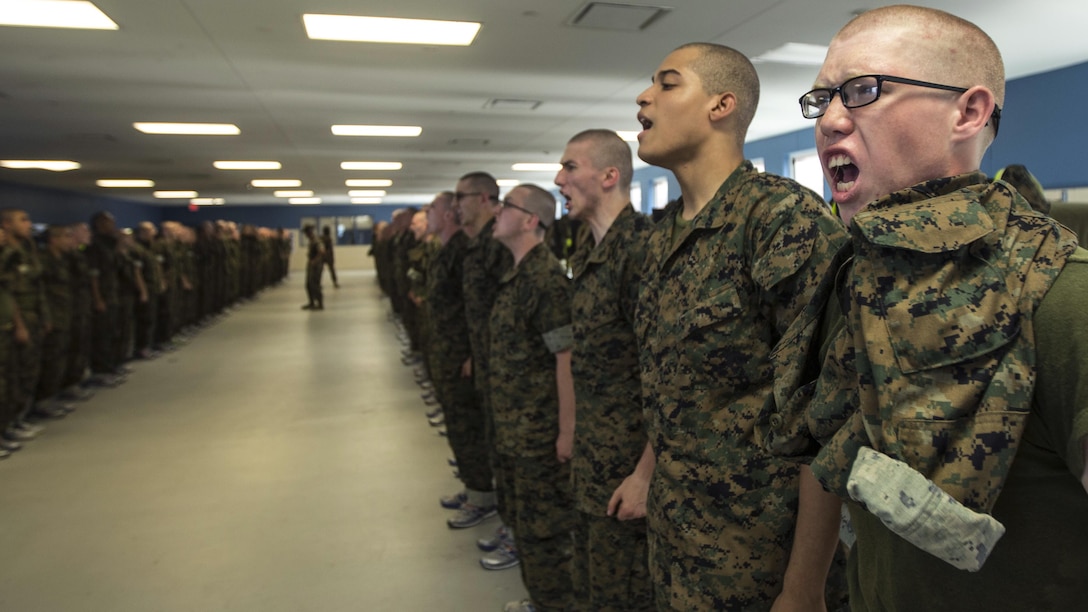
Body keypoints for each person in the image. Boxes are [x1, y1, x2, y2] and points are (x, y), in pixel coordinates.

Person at [771, 5, 1088, 610]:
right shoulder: (859, 278)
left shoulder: (1058, 294)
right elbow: (834, 446)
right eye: (821, 100)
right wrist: (801, 589)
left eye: (863, 90)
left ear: (967, 112)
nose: (831, 119)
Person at [633, 43, 848, 610]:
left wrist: (803, 588)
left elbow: (826, 419)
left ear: (721, 105)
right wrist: (643, 473)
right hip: (679, 537)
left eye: (667, 82)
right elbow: (674, 390)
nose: (643, 96)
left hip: (762, 558)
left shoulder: (781, 221)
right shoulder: (660, 240)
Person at [553, 128, 655, 611]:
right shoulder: (585, 254)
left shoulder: (641, 252)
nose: (559, 178)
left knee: (628, 592)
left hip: (630, 465)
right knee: (596, 585)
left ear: (610, 176)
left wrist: (645, 473)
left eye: (570, 167)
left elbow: (671, 374)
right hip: (596, 458)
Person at [489, 184, 575, 612]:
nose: (496, 213)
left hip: (539, 432)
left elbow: (566, 358)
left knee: (546, 531)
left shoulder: (545, 279)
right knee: (526, 525)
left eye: (505, 207)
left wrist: (566, 431)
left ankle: (553, 604)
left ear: (529, 220)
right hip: (515, 427)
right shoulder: (518, 273)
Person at [452, 171, 517, 568]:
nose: (456, 203)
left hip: (508, 372)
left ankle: (516, 532)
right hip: (488, 364)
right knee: (497, 447)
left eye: (462, 196)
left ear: (485, 198)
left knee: (510, 453)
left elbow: (506, 309)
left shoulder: (498, 245)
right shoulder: (478, 244)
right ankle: (509, 523)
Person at [423, 192, 498, 529]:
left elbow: (475, 309)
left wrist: (470, 352)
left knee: (469, 428)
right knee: (459, 425)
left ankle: (481, 495)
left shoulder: (465, 251)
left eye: (433, 209)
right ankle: (474, 489)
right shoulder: (450, 251)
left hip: (463, 357)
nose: (430, 213)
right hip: (447, 353)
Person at [301, 224, 324, 310]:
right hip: (311, 266)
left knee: (315, 285)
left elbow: (322, 251)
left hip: (316, 267)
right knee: (308, 285)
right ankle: (312, 303)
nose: (305, 235)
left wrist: (315, 261)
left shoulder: (316, 241)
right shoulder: (311, 241)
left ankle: (320, 304)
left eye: (306, 233)